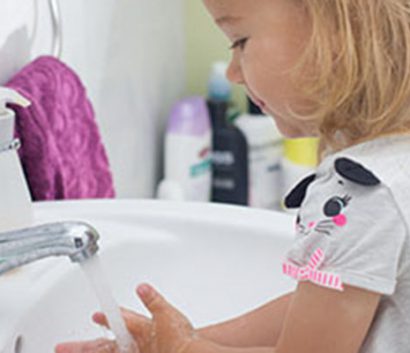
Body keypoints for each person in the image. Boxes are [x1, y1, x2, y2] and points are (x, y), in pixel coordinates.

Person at [55, 0, 410, 352]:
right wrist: (189, 340)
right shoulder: (394, 160)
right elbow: (325, 307)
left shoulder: (363, 195)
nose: (232, 73)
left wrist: (182, 350)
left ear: (334, 32)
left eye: (240, 41)